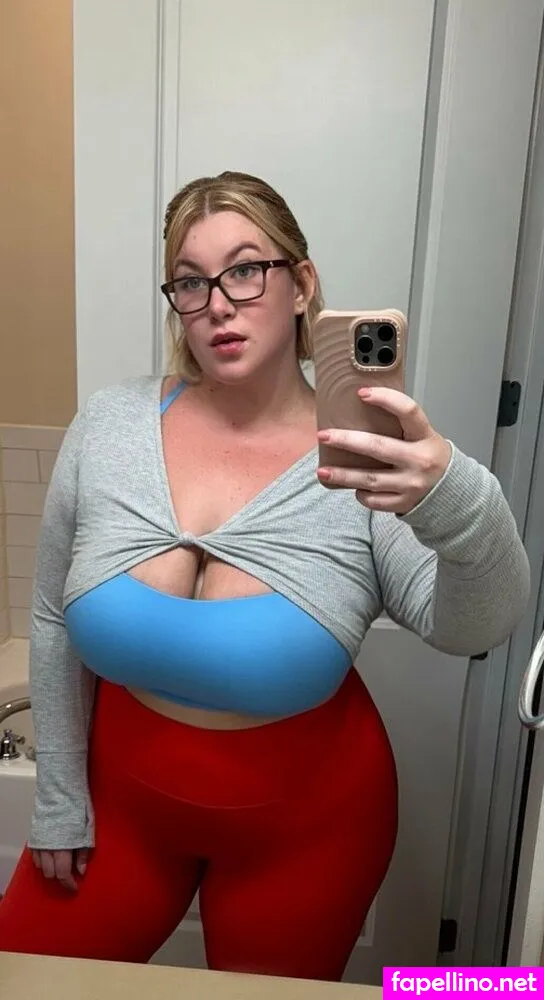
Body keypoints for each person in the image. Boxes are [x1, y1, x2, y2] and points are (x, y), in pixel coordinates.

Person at [0, 171, 530, 981]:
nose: (218, 303)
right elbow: (49, 616)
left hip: (310, 829)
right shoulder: (109, 425)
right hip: (120, 807)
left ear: (301, 285)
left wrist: (458, 499)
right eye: (191, 281)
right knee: (25, 977)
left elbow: (472, 627)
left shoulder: (364, 457)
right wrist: (59, 796)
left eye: (246, 269)